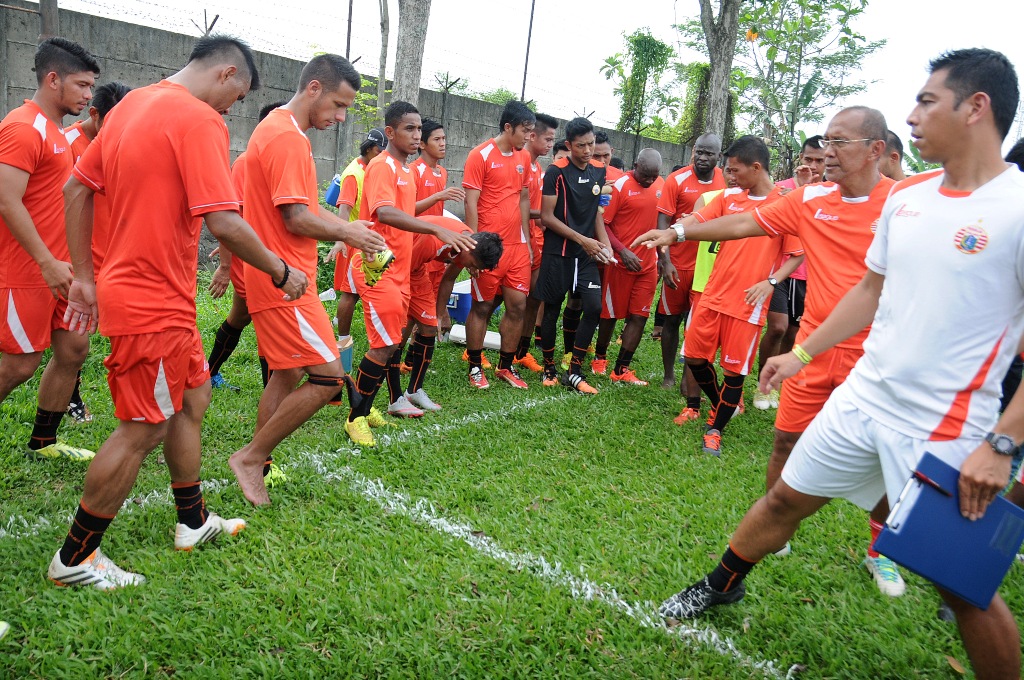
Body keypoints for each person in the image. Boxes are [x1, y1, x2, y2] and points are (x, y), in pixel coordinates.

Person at [656, 49, 1024, 679]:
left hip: (946, 424)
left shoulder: (1015, 207)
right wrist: (799, 353)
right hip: (864, 398)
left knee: (964, 588)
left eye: (927, 101)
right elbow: (868, 292)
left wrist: (1002, 442)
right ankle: (721, 584)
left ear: (976, 107)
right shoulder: (909, 202)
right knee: (782, 500)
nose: (913, 116)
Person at [51, 35, 309, 588]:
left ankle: (192, 520)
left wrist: (86, 276)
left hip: (159, 296)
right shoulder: (199, 119)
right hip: (153, 304)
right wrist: (281, 270)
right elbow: (225, 223)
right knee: (142, 428)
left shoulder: (130, 106)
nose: (232, 110)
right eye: (238, 97)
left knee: (194, 398)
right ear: (226, 74)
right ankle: (75, 558)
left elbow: (76, 189)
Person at [635, 106, 905, 590]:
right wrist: (677, 232)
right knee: (785, 442)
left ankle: (880, 551)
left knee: (882, 456)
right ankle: (776, 529)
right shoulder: (809, 198)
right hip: (812, 349)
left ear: (875, 150)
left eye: (838, 143)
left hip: (876, 355)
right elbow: (744, 223)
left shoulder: (903, 203)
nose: (826, 153)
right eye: (824, 142)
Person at [227, 54, 387, 507]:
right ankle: (251, 457)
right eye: (339, 105)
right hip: (286, 282)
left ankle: (260, 463)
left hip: (283, 277)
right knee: (328, 379)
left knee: (286, 374)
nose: (341, 118)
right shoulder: (286, 137)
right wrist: (348, 233)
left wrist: (346, 229)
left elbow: (304, 208)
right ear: (314, 88)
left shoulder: (279, 129)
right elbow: (295, 218)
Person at [343, 101, 476, 447]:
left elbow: (404, 209)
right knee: (386, 344)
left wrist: (434, 215)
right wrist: (435, 228)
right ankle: (355, 418)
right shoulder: (383, 166)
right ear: (390, 132)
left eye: (419, 129)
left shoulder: (404, 170)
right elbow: (385, 213)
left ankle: (368, 407)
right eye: (410, 129)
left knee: (390, 342)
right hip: (379, 265)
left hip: (401, 268)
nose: (417, 135)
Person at [0, 37, 99, 462]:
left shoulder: (57, 131)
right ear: (53, 79)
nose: (89, 95)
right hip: (26, 271)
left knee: (74, 350)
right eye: (82, 85)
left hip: (61, 271)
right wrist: (45, 261)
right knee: (19, 364)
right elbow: (6, 200)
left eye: (91, 87)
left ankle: (44, 443)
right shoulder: (23, 127)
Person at [671, 137, 801, 456]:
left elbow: (798, 254)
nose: (729, 176)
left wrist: (771, 281)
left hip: (747, 304)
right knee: (695, 357)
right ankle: (723, 404)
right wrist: (672, 232)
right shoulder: (728, 197)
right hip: (713, 294)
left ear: (756, 168)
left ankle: (715, 430)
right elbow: (698, 219)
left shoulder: (785, 204)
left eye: (734, 170)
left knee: (734, 371)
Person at [54, 81, 132, 424]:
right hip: (71, 259)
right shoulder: (67, 144)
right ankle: (72, 400)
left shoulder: (124, 144)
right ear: (95, 114)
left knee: (101, 337)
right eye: (113, 123)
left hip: (109, 256)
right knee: (72, 341)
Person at [205, 100, 287, 394]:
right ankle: (273, 396)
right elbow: (230, 218)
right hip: (253, 258)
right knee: (269, 320)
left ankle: (208, 372)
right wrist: (225, 266)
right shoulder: (246, 163)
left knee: (241, 316)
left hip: (265, 255)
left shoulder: (277, 159)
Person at [460, 100, 535, 390]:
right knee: (482, 306)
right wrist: (473, 248)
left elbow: (523, 198)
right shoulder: (479, 155)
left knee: (518, 305)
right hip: (489, 248)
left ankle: (505, 366)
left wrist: (527, 240)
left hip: (517, 247)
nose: (528, 136)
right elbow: (471, 203)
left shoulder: (524, 157)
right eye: (525, 130)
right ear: (508, 127)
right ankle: (475, 366)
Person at [536, 116, 615, 393]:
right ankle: (549, 367)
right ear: (569, 145)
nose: (588, 150)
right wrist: (584, 240)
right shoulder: (555, 172)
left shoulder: (599, 170)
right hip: (558, 253)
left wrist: (605, 244)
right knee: (552, 309)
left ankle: (574, 370)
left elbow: (596, 213)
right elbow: (547, 217)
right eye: (581, 145)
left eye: (591, 144)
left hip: (586, 254)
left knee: (593, 308)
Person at [655, 133, 725, 412]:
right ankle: (668, 375)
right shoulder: (677, 179)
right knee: (671, 320)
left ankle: (689, 380)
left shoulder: (725, 181)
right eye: (699, 151)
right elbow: (663, 222)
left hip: (707, 268)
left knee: (696, 326)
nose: (702, 158)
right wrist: (665, 260)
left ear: (719, 156)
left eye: (709, 153)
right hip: (678, 264)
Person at [755, 135, 824, 410]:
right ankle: (762, 385)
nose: (814, 166)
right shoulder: (781, 189)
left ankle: (776, 383)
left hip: (811, 275)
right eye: (809, 159)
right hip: (780, 271)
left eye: (819, 160)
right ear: (800, 159)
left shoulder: (832, 194)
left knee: (794, 334)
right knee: (777, 328)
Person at [591, 148, 664, 385]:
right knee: (610, 315)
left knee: (639, 316)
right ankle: (599, 358)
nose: (650, 181)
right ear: (635, 165)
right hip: (620, 264)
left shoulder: (661, 186)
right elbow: (603, 224)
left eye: (654, 176)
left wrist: (662, 257)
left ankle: (621, 368)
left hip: (647, 266)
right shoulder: (620, 186)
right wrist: (622, 250)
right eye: (646, 175)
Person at [399, 118, 464, 375]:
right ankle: (394, 358)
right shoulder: (413, 171)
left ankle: (411, 360)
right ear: (422, 144)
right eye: (437, 139)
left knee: (429, 305)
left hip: (437, 248)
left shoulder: (442, 172)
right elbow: (405, 212)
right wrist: (438, 196)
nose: (443, 143)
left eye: (444, 138)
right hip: (417, 246)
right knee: (412, 310)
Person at [331, 128, 387, 350]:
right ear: (372, 149)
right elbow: (344, 209)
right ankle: (342, 337)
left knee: (367, 290)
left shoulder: (372, 168)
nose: (383, 156)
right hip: (355, 242)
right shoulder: (354, 174)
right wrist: (340, 240)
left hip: (370, 240)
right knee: (351, 293)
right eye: (381, 151)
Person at [514, 112, 559, 373]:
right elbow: (517, 206)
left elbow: (535, 210)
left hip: (535, 239)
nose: (551, 145)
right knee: (501, 299)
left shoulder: (537, 168)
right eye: (548, 139)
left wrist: (545, 219)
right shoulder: (518, 162)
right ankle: (473, 351)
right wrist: (547, 215)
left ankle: (521, 352)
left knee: (535, 298)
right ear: (532, 136)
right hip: (516, 241)